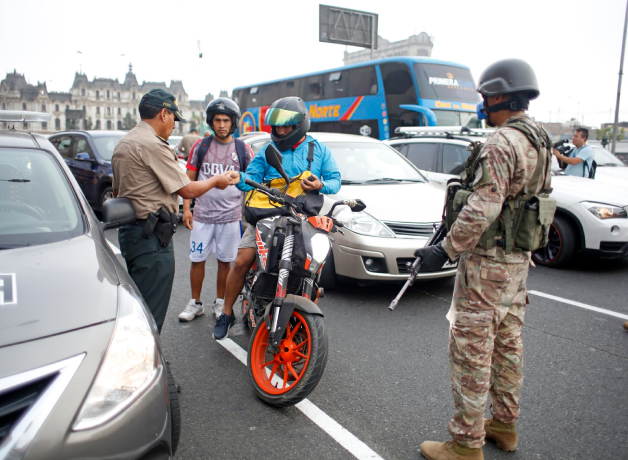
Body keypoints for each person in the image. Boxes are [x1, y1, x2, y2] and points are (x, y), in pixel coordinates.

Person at [414, 59, 553, 460]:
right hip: (517, 264)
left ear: (499, 96)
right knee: (509, 346)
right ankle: (504, 425)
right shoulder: (540, 139)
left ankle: (464, 444)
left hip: (487, 266)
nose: (483, 104)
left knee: (471, 353)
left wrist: (445, 249)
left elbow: (483, 206)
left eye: (485, 97)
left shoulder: (501, 142)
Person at [212, 96, 341, 340]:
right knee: (242, 260)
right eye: (277, 126)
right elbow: (250, 178)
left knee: (312, 268)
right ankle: (226, 313)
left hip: (302, 218)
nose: (280, 131)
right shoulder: (267, 151)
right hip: (268, 215)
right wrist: (236, 178)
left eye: (286, 126)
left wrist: (320, 183)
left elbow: (335, 180)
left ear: (299, 124)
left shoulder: (319, 149)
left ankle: (304, 316)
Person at [112, 88, 231, 333]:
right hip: (151, 239)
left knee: (137, 304)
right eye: (174, 119)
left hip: (132, 234)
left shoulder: (125, 142)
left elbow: (117, 192)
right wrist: (215, 181)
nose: (174, 126)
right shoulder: (153, 145)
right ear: (164, 114)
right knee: (150, 314)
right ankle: (146, 362)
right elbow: (186, 189)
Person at [178, 98, 254, 322]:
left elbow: (252, 180)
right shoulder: (200, 146)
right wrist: (186, 209)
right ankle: (195, 303)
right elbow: (188, 180)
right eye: (217, 120)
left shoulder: (243, 149)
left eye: (226, 120)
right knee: (197, 259)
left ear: (233, 123)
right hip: (202, 215)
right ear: (211, 122)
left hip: (230, 218)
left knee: (225, 261)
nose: (221, 124)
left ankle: (220, 302)